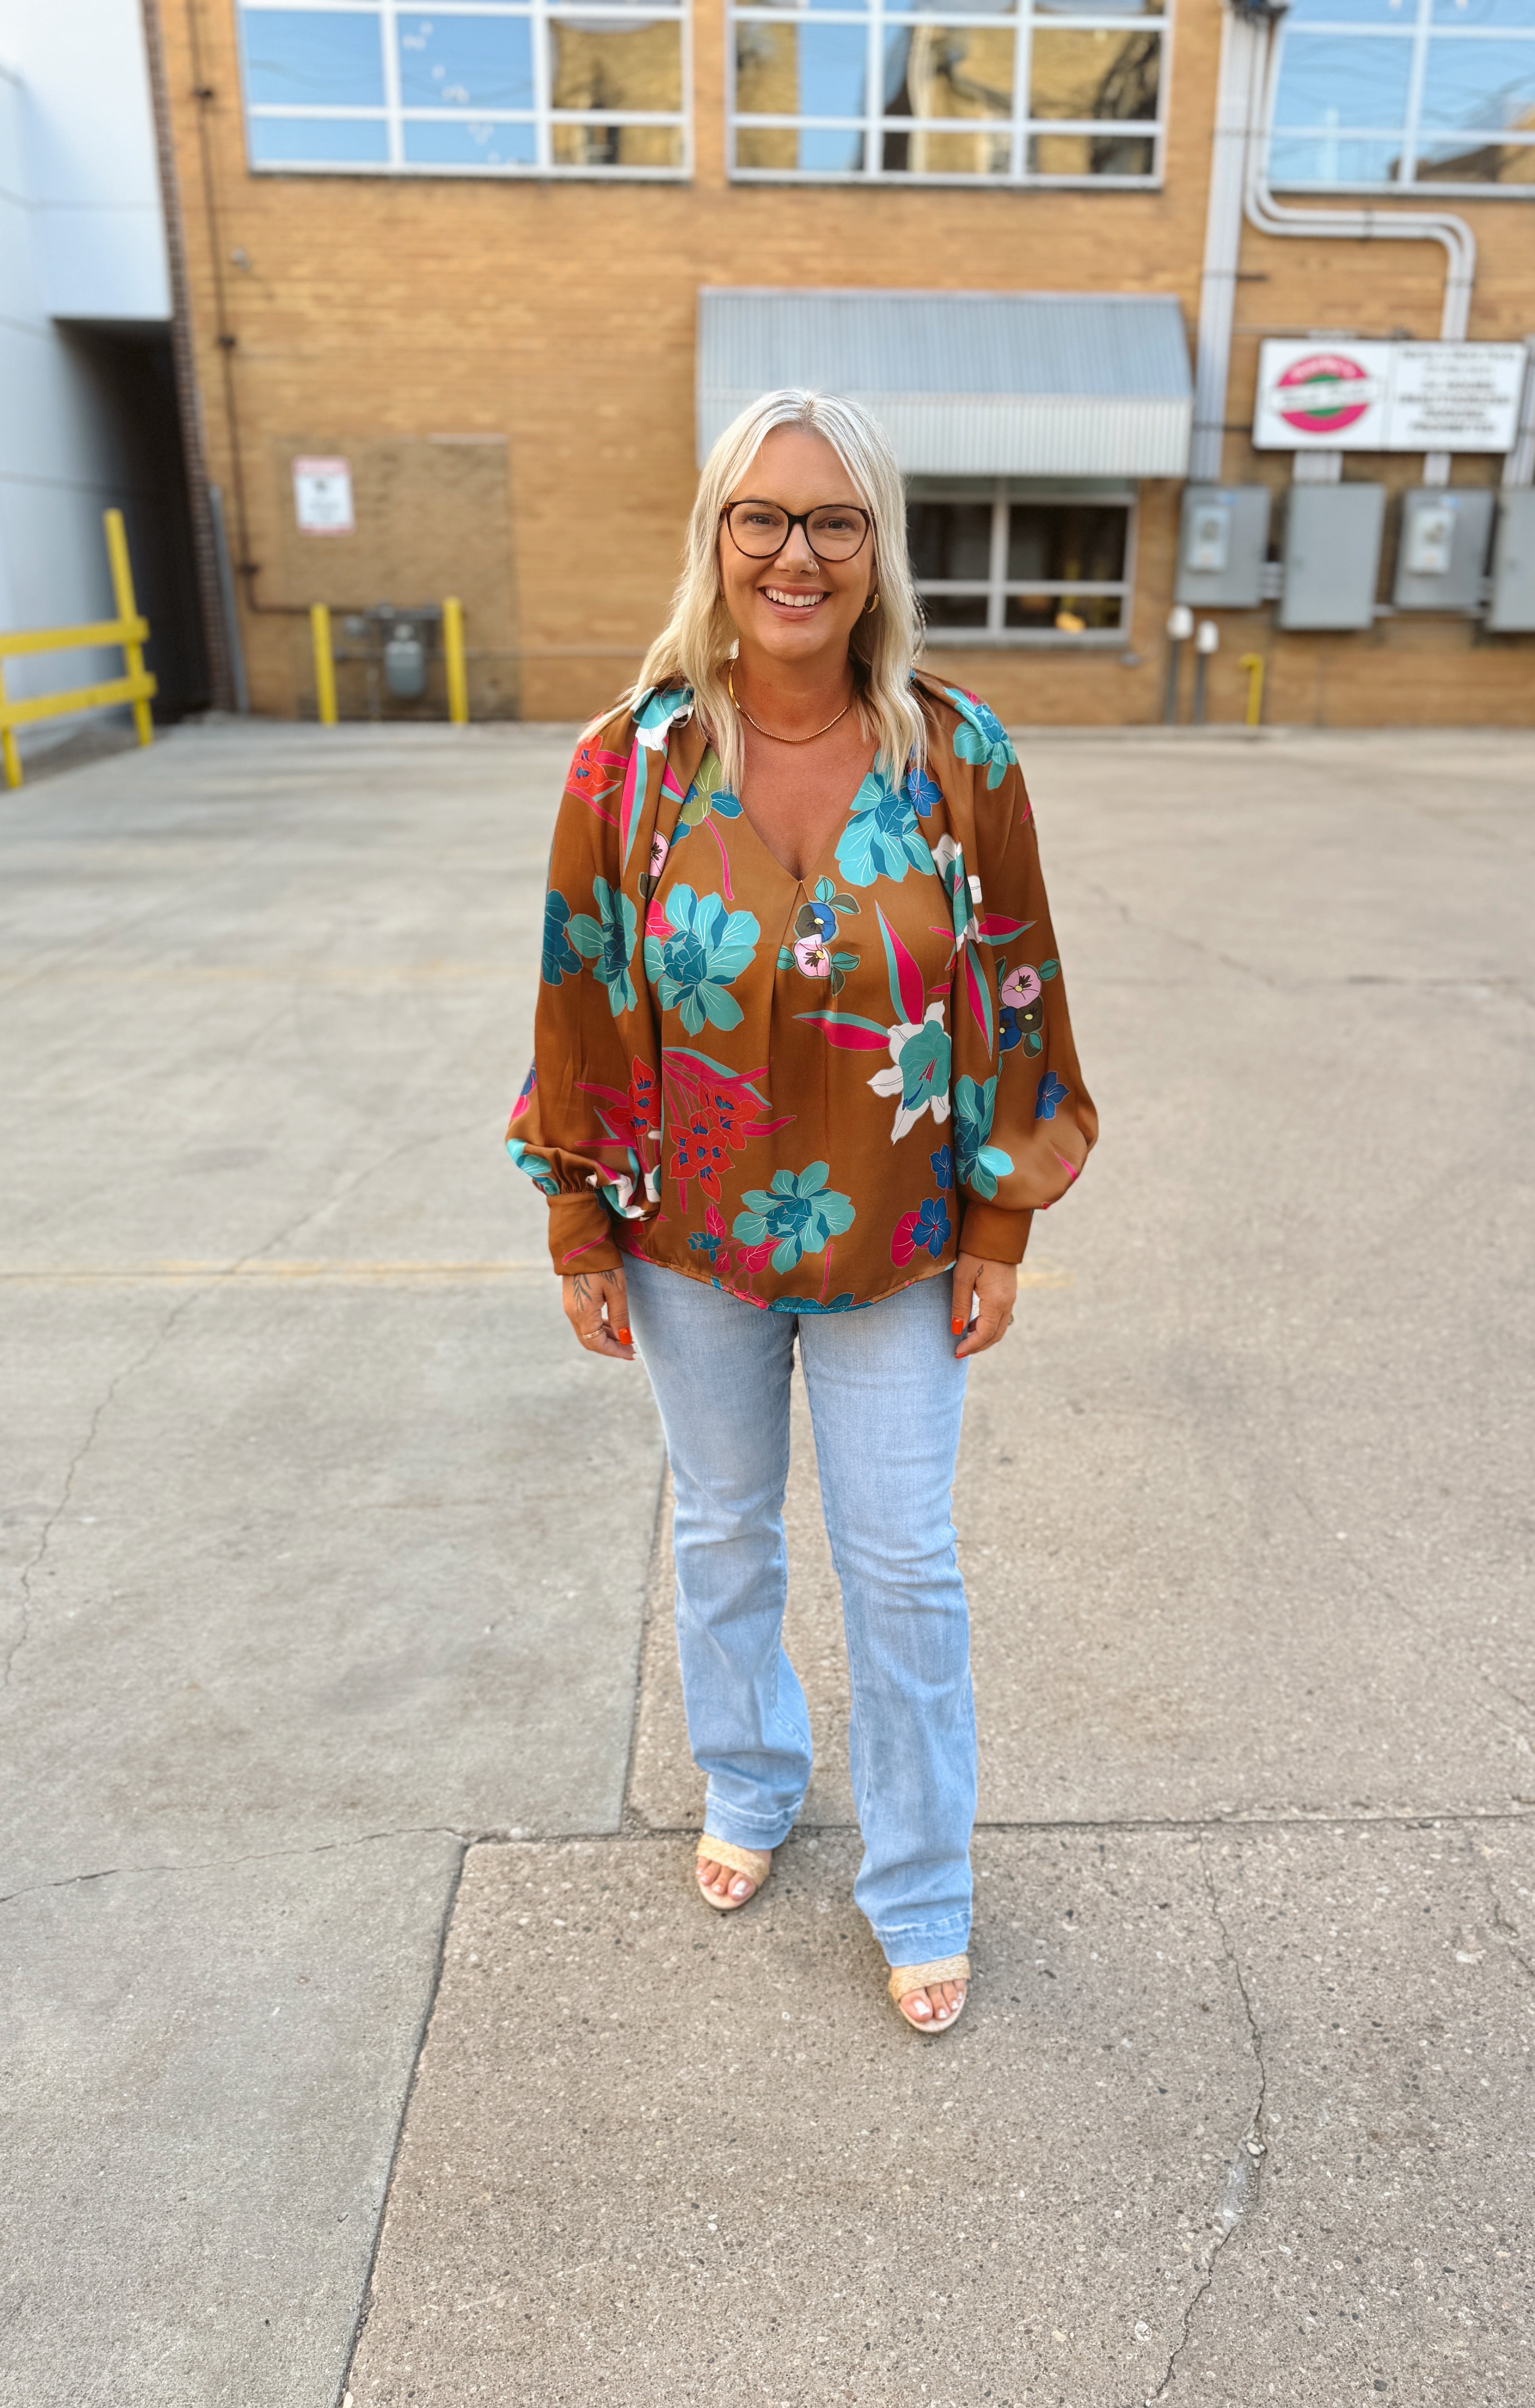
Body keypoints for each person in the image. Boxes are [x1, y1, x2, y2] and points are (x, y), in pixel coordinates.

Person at [508, 387, 1095, 2034]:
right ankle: (754, 1782)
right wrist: (575, 1219)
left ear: (876, 551)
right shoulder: (629, 765)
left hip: (897, 1245)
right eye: (762, 517)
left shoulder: (957, 755)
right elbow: (576, 992)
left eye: (834, 521)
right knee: (721, 1531)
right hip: (686, 1238)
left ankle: (918, 1881)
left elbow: (1021, 983)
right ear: (715, 538)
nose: (796, 552)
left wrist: (1003, 1221)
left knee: (904, 1566)